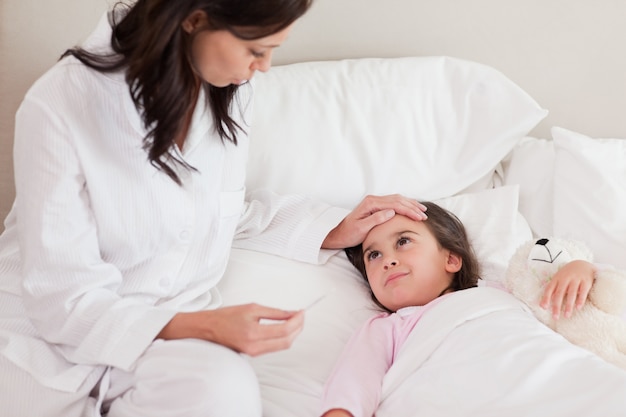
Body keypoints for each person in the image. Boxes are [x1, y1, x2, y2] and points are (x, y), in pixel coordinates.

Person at [0, 1, 429, 416]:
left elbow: (212, 212)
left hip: (162, 345)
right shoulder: (61, 103)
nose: (263, 67)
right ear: (195, 19)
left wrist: (331, 228)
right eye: (255, 50)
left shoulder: (229, 87)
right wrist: (207, 326)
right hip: (43, 342)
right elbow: (61, 299)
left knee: (225, 388)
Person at [319, 202, 597, 417]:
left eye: (403, 242)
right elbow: (354, 380)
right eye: (373, 255)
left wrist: (579, 268)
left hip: (548, 376)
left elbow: (584, 300)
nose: (387, 261)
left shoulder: (501, 289)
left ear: (451, 259)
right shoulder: (388, 327)